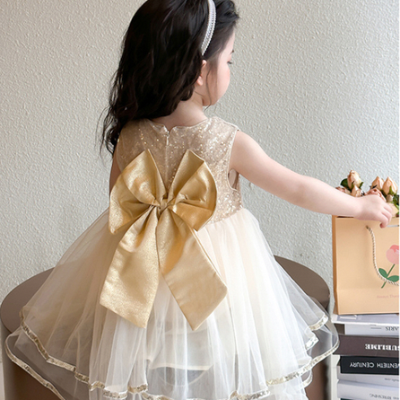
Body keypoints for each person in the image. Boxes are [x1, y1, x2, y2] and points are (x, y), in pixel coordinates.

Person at [6, 0, 392, 399]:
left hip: (143, 285)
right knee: (230, 375)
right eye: (229, 61)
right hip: (220, 289)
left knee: (145, 373)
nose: (230, 70)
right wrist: (359, 206)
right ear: (200, 72)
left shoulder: (130, 136)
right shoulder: (226, 142)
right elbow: (296, 188)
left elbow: (119, 208)